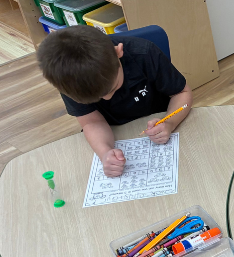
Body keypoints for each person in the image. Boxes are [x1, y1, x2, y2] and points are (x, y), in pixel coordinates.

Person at [37, 26, 192, 178]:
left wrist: (170, 122)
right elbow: (91, 122)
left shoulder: (145, 54)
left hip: (160, 119)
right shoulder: (69, 80)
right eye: (97, 98)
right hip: (113, 131)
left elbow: (182, 93)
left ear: (119, 52)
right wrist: (105, 153)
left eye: (112, 89)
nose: (107, 98)